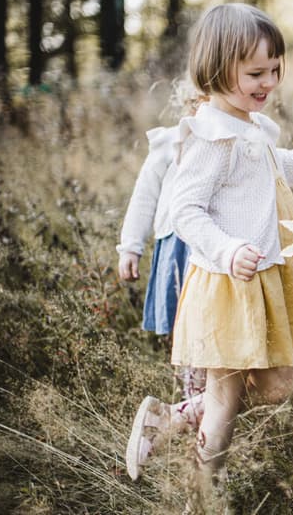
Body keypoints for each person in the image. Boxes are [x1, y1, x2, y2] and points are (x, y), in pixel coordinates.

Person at [124, 3, 293, 491]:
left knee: (279, 385)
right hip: (227, 286)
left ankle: (171, 419)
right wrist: (228, 249)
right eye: (256, 72)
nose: (269, 82)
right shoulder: (211, 137)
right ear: (216, 67)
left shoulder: (248, 126)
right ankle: (204, 493)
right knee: (225, 400)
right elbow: (186, 210)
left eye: (275, 70)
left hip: (262, 281)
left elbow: (283, 165)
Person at [118, 123, 209, 483]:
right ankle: (199, 454)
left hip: (228, 250)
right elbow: (145, 194)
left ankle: (177, 419)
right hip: (182, 250)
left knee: (227, 363)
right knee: (193, 351)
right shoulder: (172, 141)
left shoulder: (256, 131)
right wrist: (130, 246)